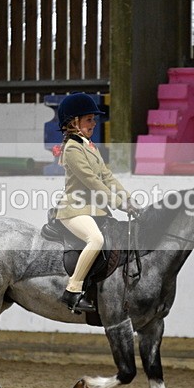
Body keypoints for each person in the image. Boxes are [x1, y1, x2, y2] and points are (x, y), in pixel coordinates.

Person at [54, 93, 139, 313]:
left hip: (94, 209)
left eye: (94, 119)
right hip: (74, 209)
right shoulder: (72, 149)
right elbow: (92, 182)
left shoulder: (90, 146)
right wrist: (119, 204)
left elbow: (107, 176)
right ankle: (72, 290)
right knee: (96, 239)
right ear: (74, 122)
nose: (94, 123)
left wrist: (127, 198)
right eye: (88, 119)